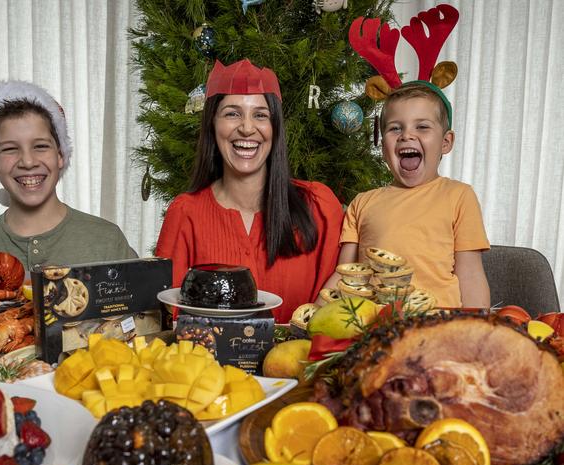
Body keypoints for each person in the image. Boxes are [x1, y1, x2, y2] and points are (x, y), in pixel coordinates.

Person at [155, 59, 344, 323]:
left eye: (260, 115)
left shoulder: (319, 205)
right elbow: (166, 319)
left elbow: (345, 299)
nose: (246, 127)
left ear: (275, 127)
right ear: (212, 124)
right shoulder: (186, 212)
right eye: (232, 113)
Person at [323, 82, 490, 308]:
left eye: (422, 127)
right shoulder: (362, 203)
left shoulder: (459, 196)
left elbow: (470, 276)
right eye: (395, 128)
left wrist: (478, 332)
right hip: (374, 325)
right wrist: (313, 323)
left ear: (446, 142)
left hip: (437, 324)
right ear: (383, 148)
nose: (406, 135)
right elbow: (346, 277)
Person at [0, 80, 137, 269]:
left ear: (61, 155)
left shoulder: (107, 241)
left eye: (40, 146)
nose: (28, 162)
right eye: (9, 149)